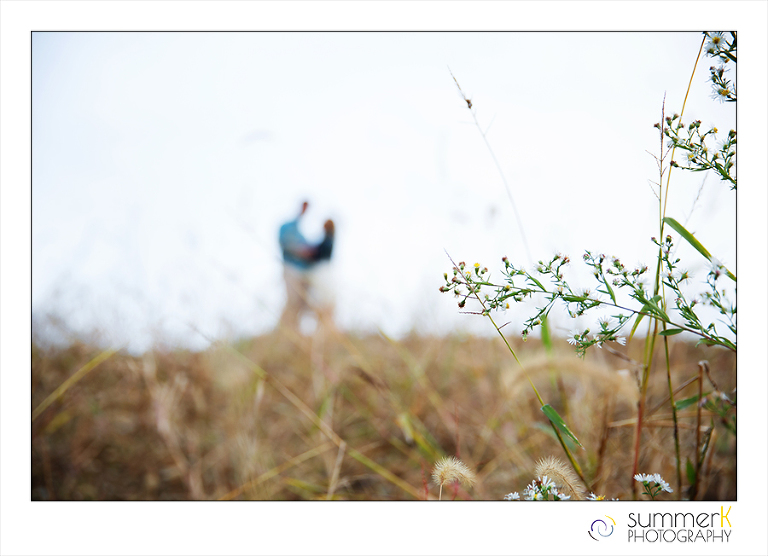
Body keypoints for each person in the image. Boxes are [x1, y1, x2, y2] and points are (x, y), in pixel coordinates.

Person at [277, 201, 335, 334]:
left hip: (316, 275)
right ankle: (289, 330)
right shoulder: (288, 228)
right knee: (296, 302)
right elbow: (289, 245)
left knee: (315, 303)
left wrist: (307, 252)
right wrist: (302, 251)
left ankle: (322, 330)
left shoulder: (326, 241)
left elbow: (315, 252)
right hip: (295, 271)